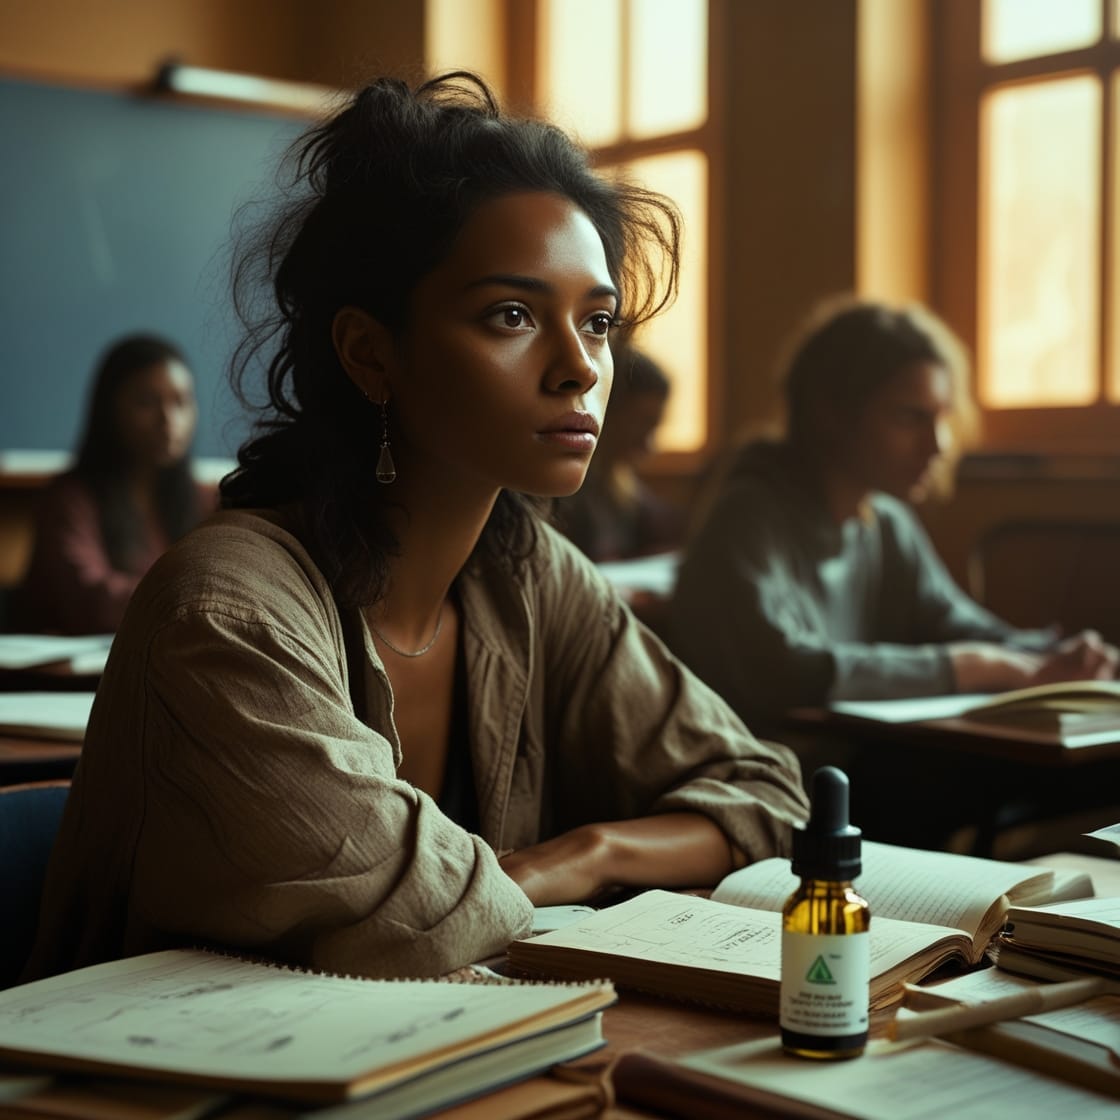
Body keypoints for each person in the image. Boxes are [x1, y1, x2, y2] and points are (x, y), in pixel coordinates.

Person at [27, 73, 808, 983]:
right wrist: (567, 871)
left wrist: (587, 853)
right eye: (511, 316)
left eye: (597, 322)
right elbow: (410, 913)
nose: (579, 369)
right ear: (371, 352)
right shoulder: (228, 611)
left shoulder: (526, 573)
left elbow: (767, 795)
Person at [668, 296, 1118, 733]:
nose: (939, 445)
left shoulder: (885, 520)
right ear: (830, 414)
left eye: (941, 418)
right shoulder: (747, 516)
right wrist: (976, 666)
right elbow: (779, 668)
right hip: (779, 768)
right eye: (909, 418)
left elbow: (953, 622)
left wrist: (1057, 653)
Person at [20, 334, 203, 634]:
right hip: (78, 676)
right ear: (110, 409)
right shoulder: (70, 499)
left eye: (181, 402)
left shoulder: (203, 500)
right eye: (147, 402)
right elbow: (90, 602)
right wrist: (194, 599)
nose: (169, 420)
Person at [554, 341, 682, 561]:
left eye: (655, 427)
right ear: (609, 411)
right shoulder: (566, 488)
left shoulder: (622, 486)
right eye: (643, 423)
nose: (649, 443)